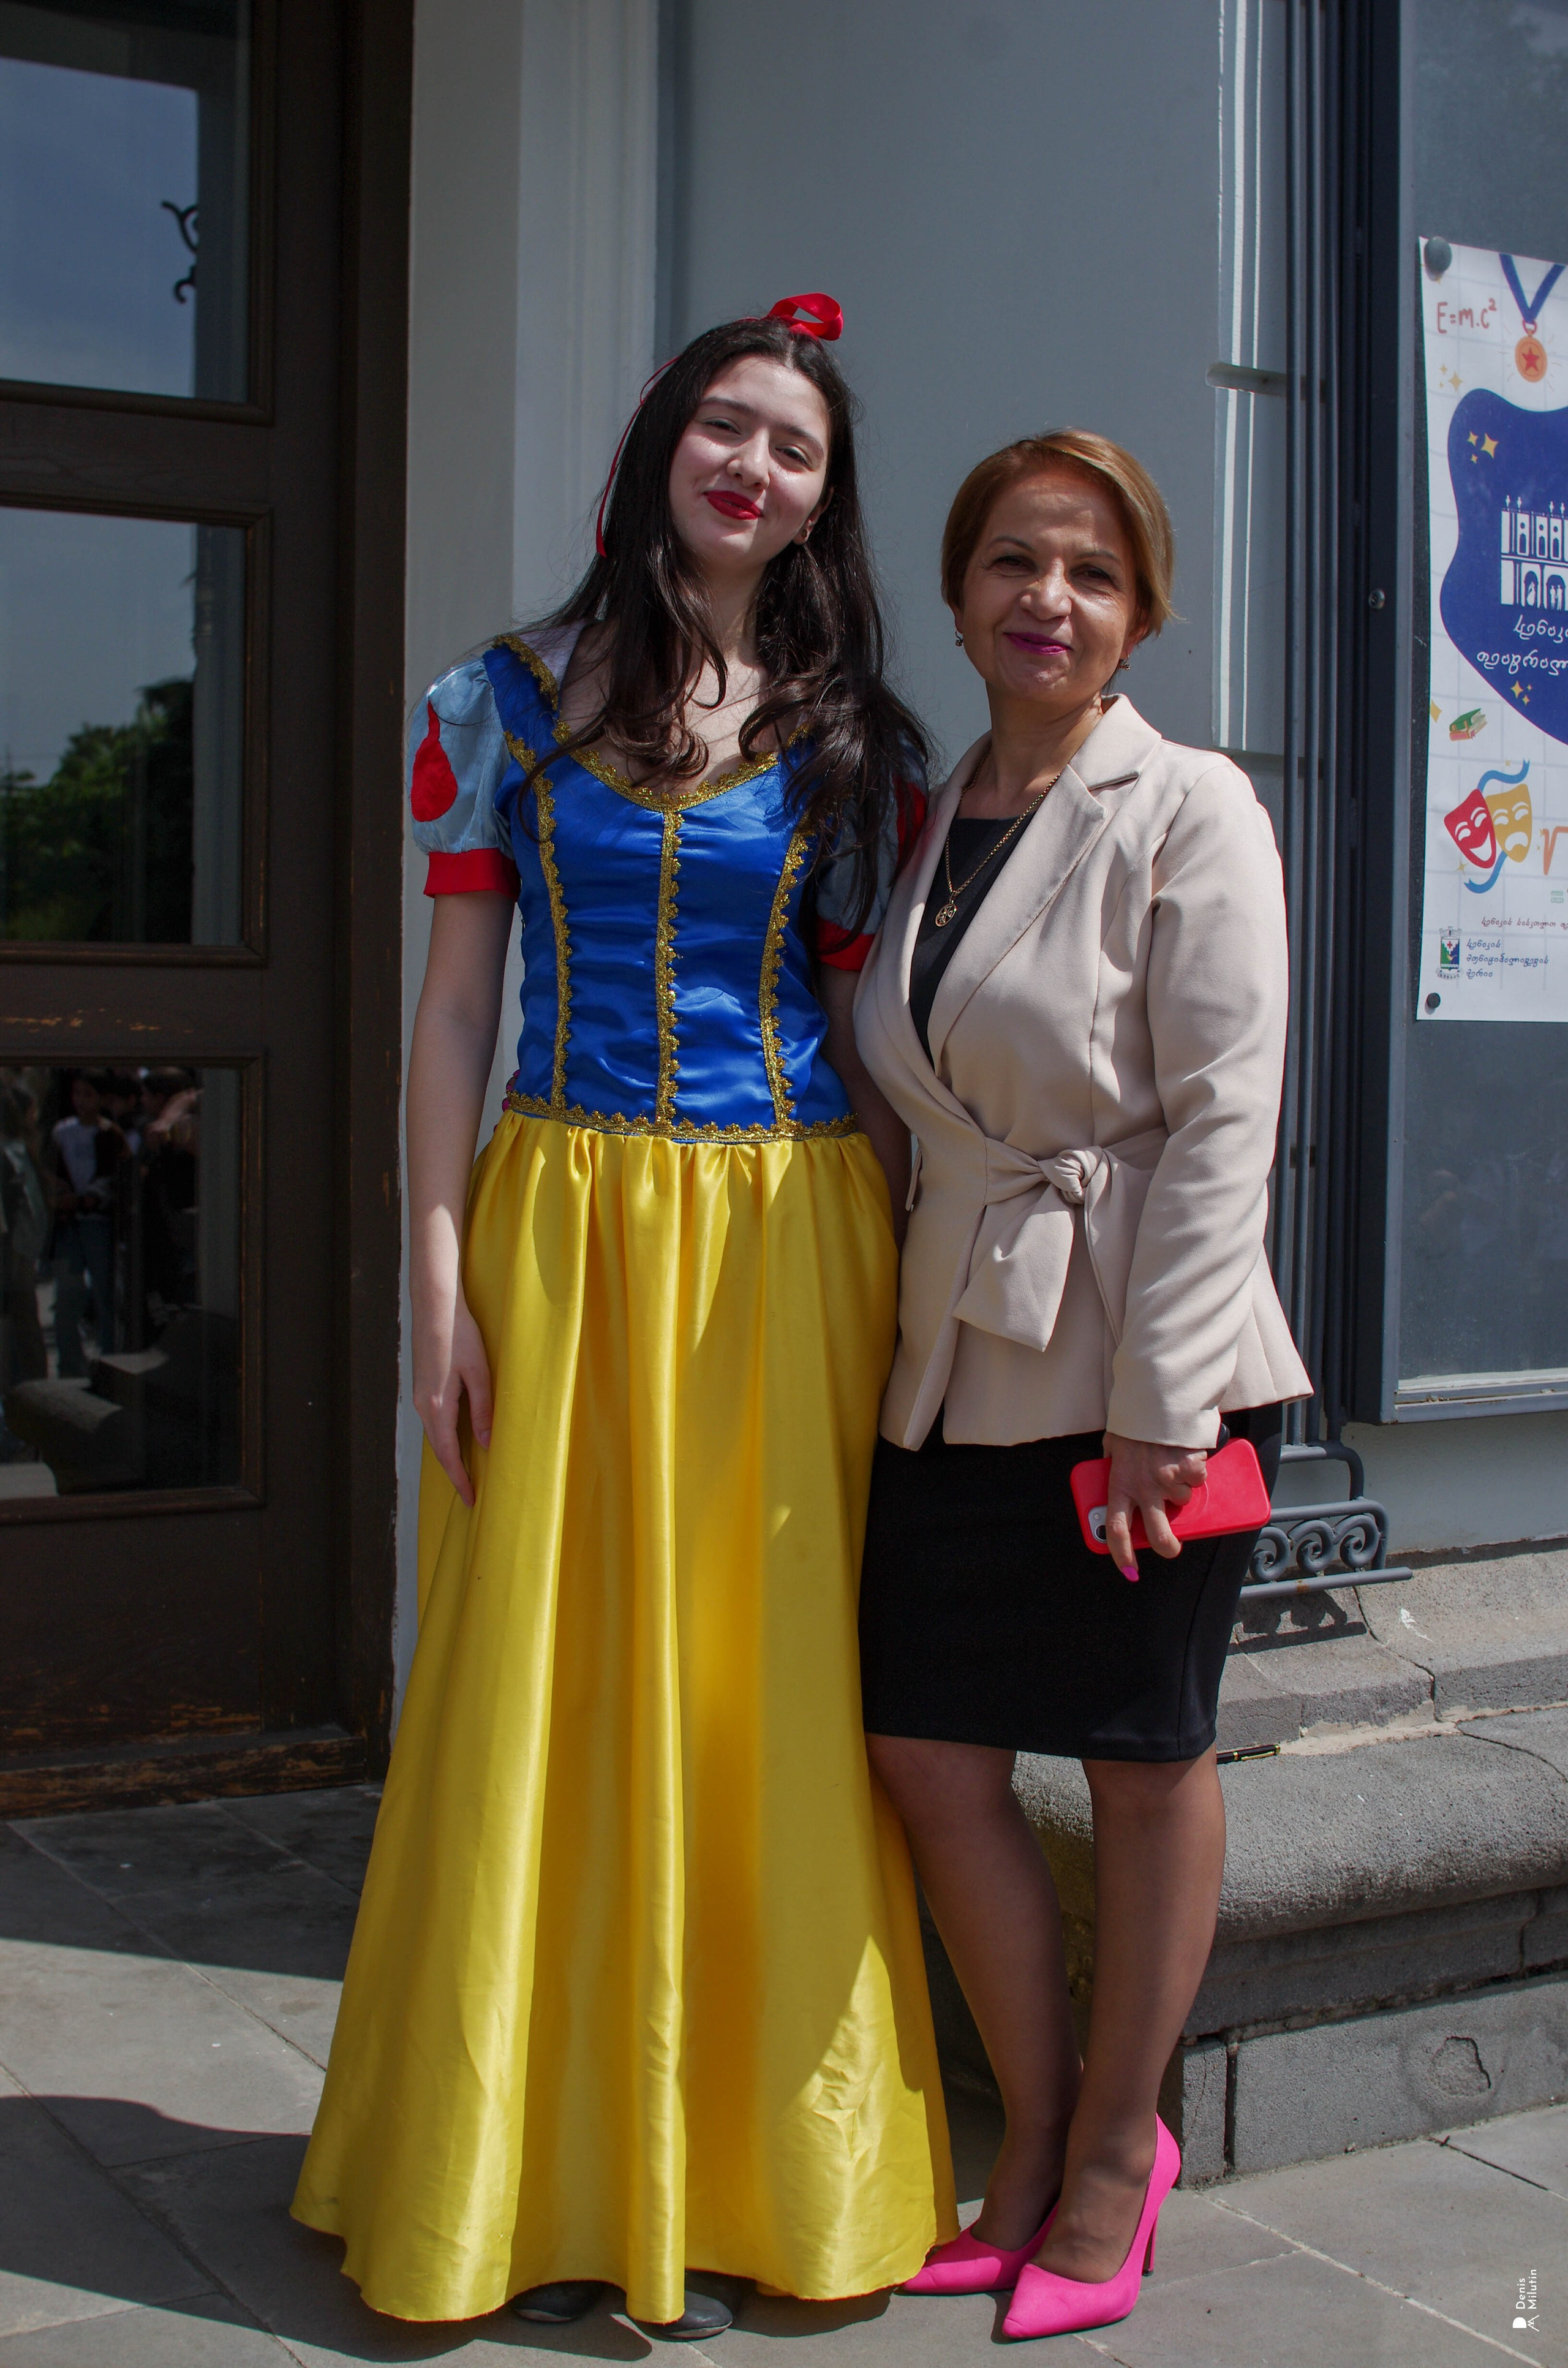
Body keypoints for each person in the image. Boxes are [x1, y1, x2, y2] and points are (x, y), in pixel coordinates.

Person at [292, 297, 956, 2339]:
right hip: (561, 1223)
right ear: (665, 438)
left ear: (824, 500)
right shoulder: (497, 699)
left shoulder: (850, 732)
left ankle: (773, 2170)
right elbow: (454, 1010)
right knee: (530, 1683)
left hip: (789, 1245)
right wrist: (432, 1266)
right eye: (729, 426)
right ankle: (499, 2166)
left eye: (799, 449)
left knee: (761, 1686)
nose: (756, 466)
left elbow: (882, 1037)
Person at [851, 429, 1311, 2342]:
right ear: (959, 591)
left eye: (1094, 573)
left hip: (1146, 1364)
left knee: (1140, 1754)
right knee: (931, 1756)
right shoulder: (922, 810)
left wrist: (1165, 1399)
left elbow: (1225, 1118)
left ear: (1141, 612)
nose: (1050, 598)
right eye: (1016, 562)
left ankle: (1119, 2152)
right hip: (954, 1368)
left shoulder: (1187, 800)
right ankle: (1030, 2136)